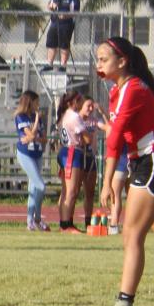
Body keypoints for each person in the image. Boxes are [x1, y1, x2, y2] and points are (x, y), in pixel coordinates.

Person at [86, 37, 154, 306]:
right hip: (147, 162)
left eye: (104, 58)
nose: (99, 63)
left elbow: (116, 137)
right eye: (97, 58)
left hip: (153, 162)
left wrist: (107, 182)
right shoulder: (119, 90)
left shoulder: (132, 88)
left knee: (131, 235)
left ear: (122, 62)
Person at [55, 92, 97, 233]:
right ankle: (66, 224)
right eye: (78, 100)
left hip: (66, 151)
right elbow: (87, 139)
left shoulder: (64, 115)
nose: (80, 102)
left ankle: (65, 223)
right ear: (71, 103)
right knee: (71, 191)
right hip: (73, 152)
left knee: (66, 191)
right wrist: (90, 134)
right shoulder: (74, 116)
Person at [14, 91, 50, 231]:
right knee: (41, 186)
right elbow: (31, 134)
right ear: (30, 102)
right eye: (36, 102)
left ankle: (30, 222)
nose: (38, 105)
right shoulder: (20, 117)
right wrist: (35, 124)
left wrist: (34, 137)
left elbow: (43, 139)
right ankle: (37, 218)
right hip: (25, 153)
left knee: (34, 188)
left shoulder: (37, 118)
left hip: (37, 153)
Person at [44, 0, 81, 71]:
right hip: (54, 23)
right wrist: (51, 6)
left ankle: (63, 65)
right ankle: (49, 64)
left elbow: (75, 12)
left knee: (64, 45)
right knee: (51, 44)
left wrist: (65, 15)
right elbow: (49, 6)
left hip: (66, 25)